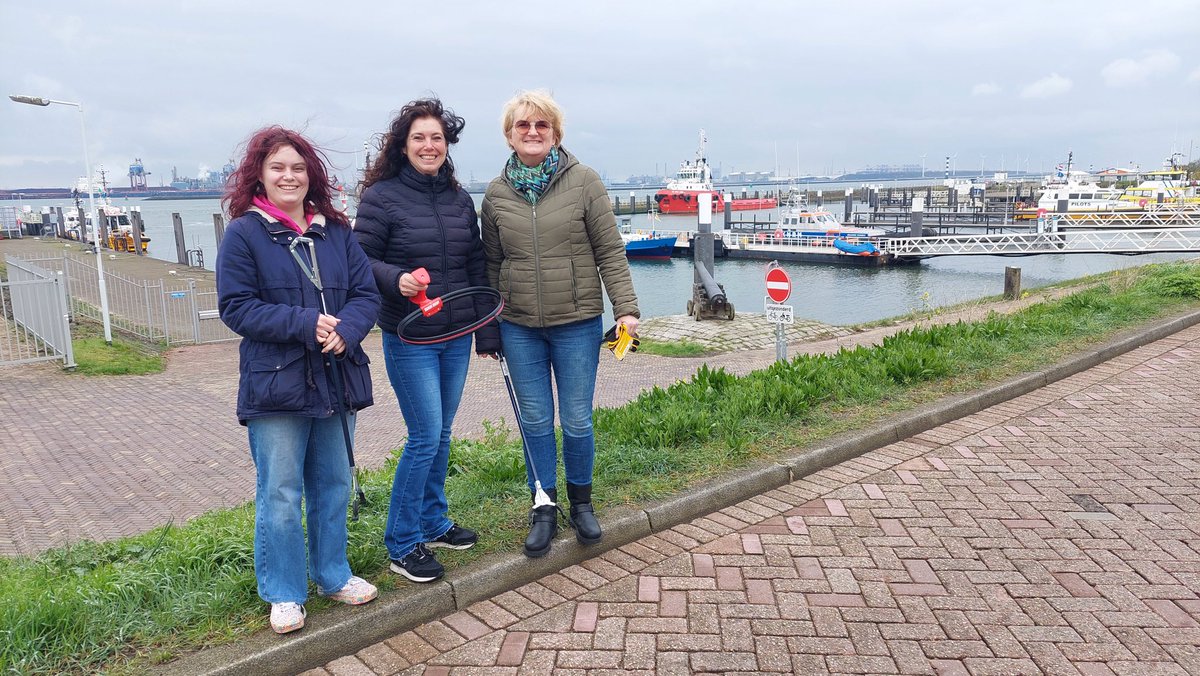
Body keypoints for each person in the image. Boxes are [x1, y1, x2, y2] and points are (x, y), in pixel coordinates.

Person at [216, 126, 381, 634]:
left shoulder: (337, 232)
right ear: (259, 177)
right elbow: (236, 307)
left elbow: (366, 296)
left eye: (298, 167)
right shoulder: (245, 233)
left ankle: (333, 574)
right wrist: (305, 325)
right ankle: (284, 592)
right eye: (278, 168)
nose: (289, 176)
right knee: (281, 491)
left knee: (332, 483)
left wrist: (348, 331)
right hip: (278, 383)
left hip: (335, 377)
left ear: (312, 176)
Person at [480, 90, 640, 558]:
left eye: (541, 125)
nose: (532, 132)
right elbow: (491, 264)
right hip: (518, 326)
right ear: (509, 135)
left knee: (575, 420)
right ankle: (544, 506)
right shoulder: (494, 193)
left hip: (577, 322)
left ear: (555, 133)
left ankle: (582, 503)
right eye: (523, 125)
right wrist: (488, 326)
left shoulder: (585, 182)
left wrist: (625, 308)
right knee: (533, 421)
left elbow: (610, 251)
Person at [355, 99, 499, 583]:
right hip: (408, 335)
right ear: (403, 144)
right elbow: (359, 259)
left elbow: (474, 265)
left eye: (436, 137)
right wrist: (395, 279)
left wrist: (486, 329)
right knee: (423, 437)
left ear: (447, 144)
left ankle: (433, 521)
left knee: (440, 434)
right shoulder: (382, 198)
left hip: (455, 333)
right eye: (419, 137)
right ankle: (401, 542)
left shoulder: (459, 199)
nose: (429, 145)